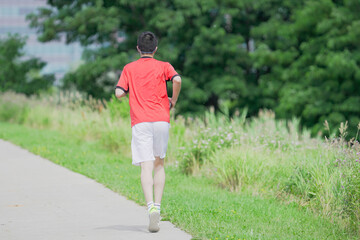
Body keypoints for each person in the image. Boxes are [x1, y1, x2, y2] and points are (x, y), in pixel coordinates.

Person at [115, 31, 181, 233]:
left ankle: (150, 206)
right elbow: (177, 80)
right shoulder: (164, 66)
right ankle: (158, 208)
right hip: (162, 119)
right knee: (159, 162)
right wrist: (173, 100)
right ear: (155, 49)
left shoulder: (129, 68)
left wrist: (126, 92)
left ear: (137, 48)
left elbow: (119, 93)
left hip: (141, 121)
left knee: (146, 165)